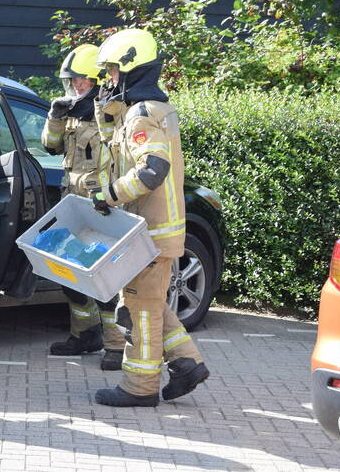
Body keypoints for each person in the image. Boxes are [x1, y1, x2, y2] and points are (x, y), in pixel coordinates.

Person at [90, 28, 209, 407]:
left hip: (149, 233)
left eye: (111, 73)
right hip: (158, 231)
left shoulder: (141, 116)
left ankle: (139, 388)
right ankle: (187, 363)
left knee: (138, 308)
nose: (108, 80)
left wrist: (108, 195)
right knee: (152, 303)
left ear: (129, 70)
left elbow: (149, 171)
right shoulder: (154, 109)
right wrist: (105, 105)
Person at [43, 44, 126, 370]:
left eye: (81, 81)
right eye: (72, 81)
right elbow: (49, 147)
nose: (75, 86)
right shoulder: (71, 112)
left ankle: (116, 346)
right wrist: (55, 117)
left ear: (95, 80)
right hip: (71, 202)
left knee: (103, 278)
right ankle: (84, 334)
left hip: (100, 206)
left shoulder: (111, 111)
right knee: (69, 273)